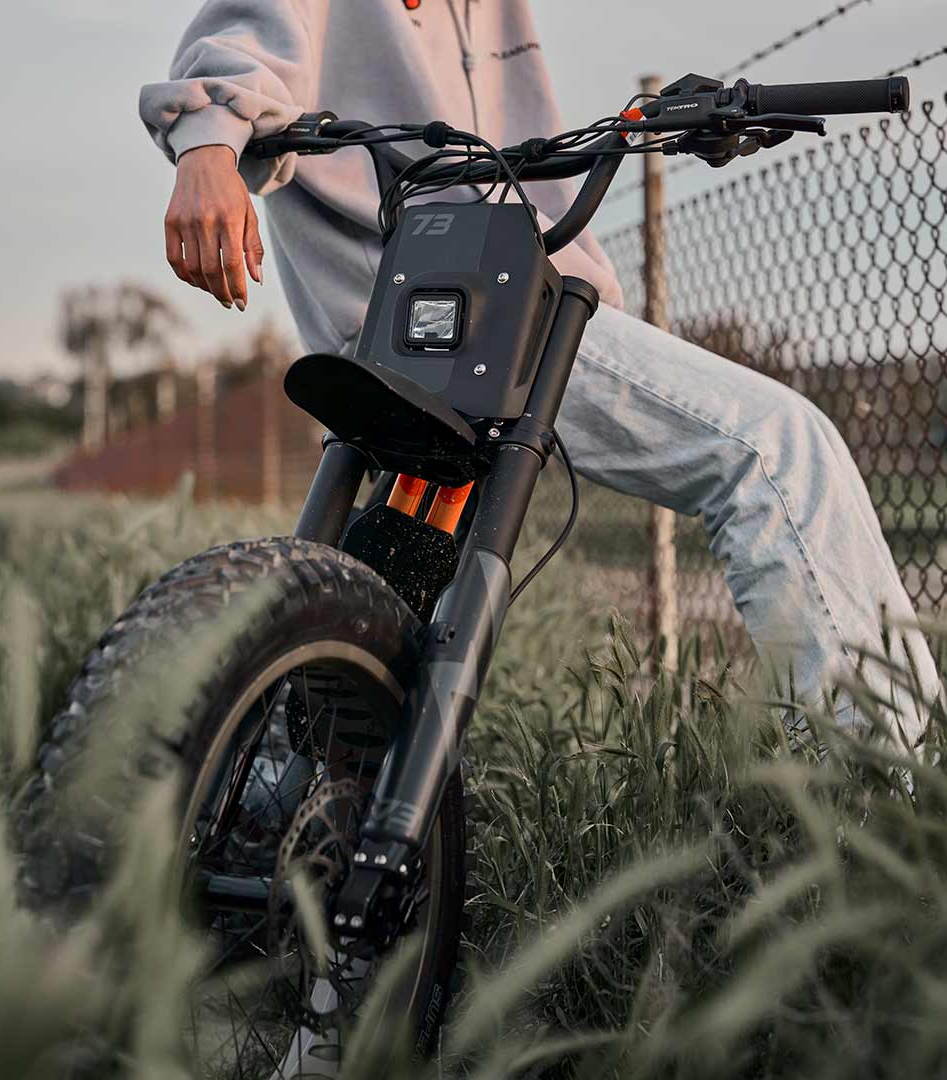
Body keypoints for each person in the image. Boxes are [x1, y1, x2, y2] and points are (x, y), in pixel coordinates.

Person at [139, 0, 938, 746]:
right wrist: (208, 144)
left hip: (516, 306)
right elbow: (243, 39)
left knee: (385, 602)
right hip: (440, 317)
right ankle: (889, 818)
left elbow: (536, 169)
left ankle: (279, 776)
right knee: (777, 447)